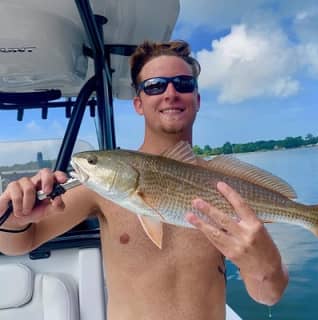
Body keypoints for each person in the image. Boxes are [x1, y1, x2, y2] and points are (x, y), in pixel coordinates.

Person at [0, 40, 288, 320]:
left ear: (197, 100)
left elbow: (269, 296)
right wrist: (15, 219)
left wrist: (265, 261)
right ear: (138, 103)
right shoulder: (99, 183)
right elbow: (21, 243)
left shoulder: (225, 185)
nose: (171, 93)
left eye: (183, 84)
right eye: (155, 86)